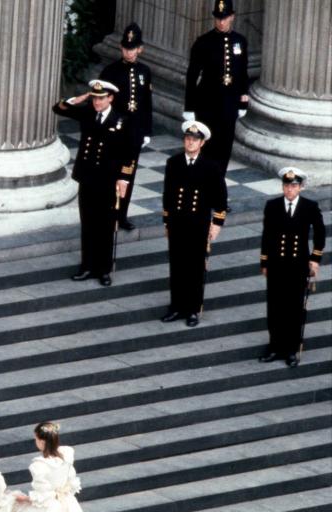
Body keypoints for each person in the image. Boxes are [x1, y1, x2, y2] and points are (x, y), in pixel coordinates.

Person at [53, 80, 137, 286]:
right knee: (88, 223)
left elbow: (130, 153)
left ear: (110, 98)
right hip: (88, 177)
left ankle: (104, 269)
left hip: (108, 180)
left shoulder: (121, 121)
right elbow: (59, 108)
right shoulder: (88, 113)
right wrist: (79, 99)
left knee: (106, 225)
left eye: (101, 98)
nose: (97, 102)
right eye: (94, 98)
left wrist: (124, 178)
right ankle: (87, 266)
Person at [160, 121, 228, 328]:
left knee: (195, 268)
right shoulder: (174, 163)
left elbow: (221, 198)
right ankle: (176, 307)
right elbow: (168, 195)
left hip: (198, 224)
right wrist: (166, 221)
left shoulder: (211, 167)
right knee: (177, 265)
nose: (190, 143)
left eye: (195, 140)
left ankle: (192, 309)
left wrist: (216, 223)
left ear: (202, 143)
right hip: (177, 222)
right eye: (188, 139)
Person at [258, 167, 326, 368]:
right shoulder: (272, 206)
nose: (289, 189)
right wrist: (264, 261)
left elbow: (320, 233)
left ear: (301, 187)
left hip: (298, 265)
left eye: (294, 186)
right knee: (275, 306)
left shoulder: (309, 206)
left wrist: (315, 258)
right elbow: (267, 235)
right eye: (286, 185)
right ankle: (275, 346)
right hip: (277, 264)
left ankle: (291, 349)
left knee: (294, 308)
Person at [184, 0, 250, 175]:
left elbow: (243, 72)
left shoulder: (240, 41)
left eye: (225, 18)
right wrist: (189, 107)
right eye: (218, 18)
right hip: (207, 103)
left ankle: (218, 184)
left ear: (232, 17)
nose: (221, 22)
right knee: (206, 145)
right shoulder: (203, 42)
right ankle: (203, 183)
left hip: (229, 104)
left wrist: (243, 100)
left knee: (225, 145)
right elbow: (192, 76)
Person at [99, 22, 153, 232]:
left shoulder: (144, 71)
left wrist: (147, 131)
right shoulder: (111, 71)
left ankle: (122, 215)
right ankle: (109, 213)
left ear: (140, 48)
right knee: (112, 173)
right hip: (115, 132)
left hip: (135, 133)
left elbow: (147, 102)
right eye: (126, 48)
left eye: (133, 48)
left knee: (128, 175)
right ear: (121, 48)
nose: (129, 52)